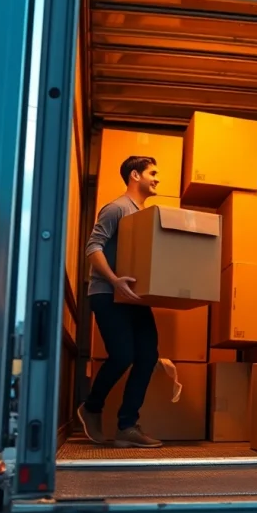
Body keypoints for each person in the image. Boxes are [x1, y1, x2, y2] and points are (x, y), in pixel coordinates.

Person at [76, 155, 163, 448]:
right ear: (135, 175)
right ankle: (91, 407)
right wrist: (114, 281)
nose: (157, 178)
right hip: (106, 293)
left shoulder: (144, 215)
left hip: (133, 298)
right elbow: (93, 246)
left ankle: (127, 425)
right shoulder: (116, 208)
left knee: (148, 356)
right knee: (124, 355)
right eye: (153, 173)